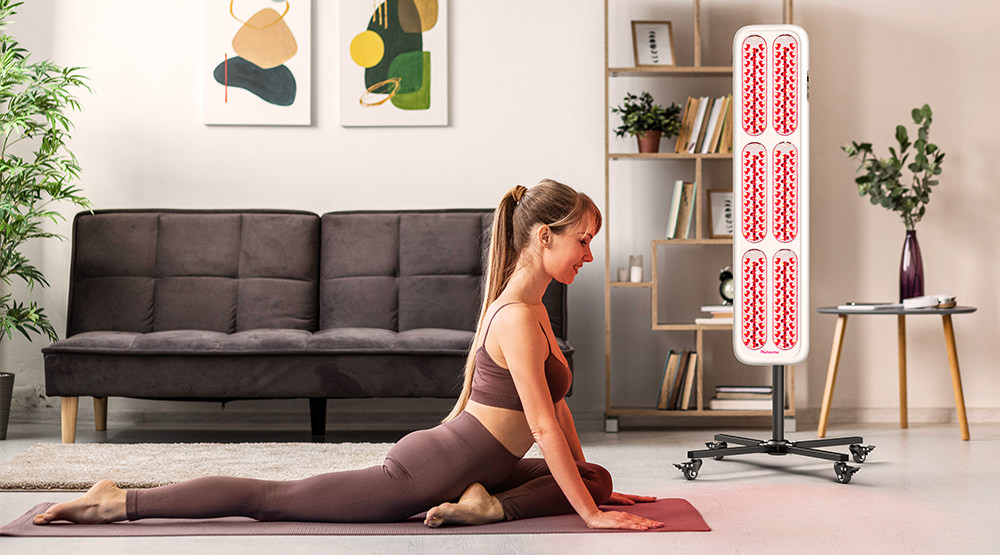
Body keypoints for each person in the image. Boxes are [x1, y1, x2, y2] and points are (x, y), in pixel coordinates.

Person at [33, 179, 663, 531]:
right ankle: (121, 499)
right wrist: (592, 521)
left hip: (484, 463)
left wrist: (588, 486)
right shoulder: (518, 318)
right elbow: (544, 426)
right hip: (425, 469)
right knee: (273, 500)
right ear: (542, 236)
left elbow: (556, 410)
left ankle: (488, 502)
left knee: (600, 480)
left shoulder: (535, 312)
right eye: (581, 241)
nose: (587, 253)